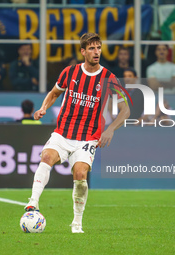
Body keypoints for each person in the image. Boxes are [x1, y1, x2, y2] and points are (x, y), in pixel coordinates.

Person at [24, 33, 130, 233]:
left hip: (88, 137)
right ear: (83, 51)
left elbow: (126, 109)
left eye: (98, 48)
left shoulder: (109, 78)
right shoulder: (69, 72)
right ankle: (33, 203)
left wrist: (110, 129)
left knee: (80, 173)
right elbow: (54, 93)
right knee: (46, 156)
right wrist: (44, 107)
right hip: (64, 131)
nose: (96, 52)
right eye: (91, 48)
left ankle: (77, 223)